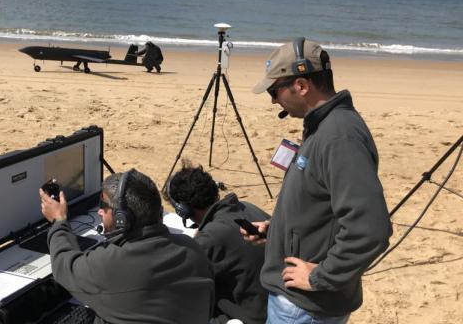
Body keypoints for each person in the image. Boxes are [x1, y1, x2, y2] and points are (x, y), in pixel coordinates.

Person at [244, 37, 392, 323]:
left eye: (274, 91)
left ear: (300, 86)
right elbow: (322, 207)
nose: (274, 100)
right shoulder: (322, 125)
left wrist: (322, 276)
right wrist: (275, 232)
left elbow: (370, 228)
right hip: (298, 303)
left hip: (304, 307)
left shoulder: (339, 136)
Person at [40, 169, 214, 324]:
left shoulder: (111, 264)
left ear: (122, 219)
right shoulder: (192, 248)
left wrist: (59, 221)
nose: (100, 212)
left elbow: (63, 266)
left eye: (104, 206)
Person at [167, 162, 270, 324]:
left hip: (250, 316)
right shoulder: (246, 206)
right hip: (272, 304)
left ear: (183, 210)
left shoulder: (209, 239)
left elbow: (179, 284)